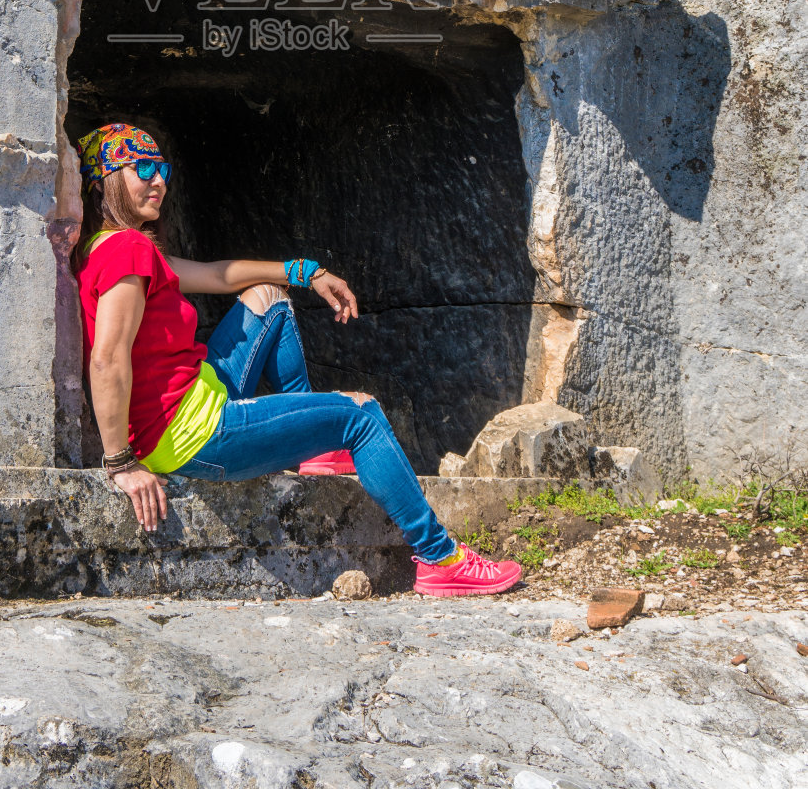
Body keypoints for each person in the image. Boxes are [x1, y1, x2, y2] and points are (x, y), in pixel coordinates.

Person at [74, 122, 522, 598]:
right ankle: (440, 558)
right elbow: (107, 359)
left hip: (195, 398)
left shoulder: (111, 247)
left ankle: (315, 453)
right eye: (142, 168)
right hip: (193, 434)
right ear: (104, 181)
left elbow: (218, 275)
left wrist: (305, 271)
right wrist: (121, 462)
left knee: (270, 297)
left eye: (162, 169)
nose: (158, 181)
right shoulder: (129, 250)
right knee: (361, 414)